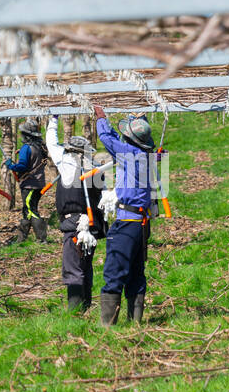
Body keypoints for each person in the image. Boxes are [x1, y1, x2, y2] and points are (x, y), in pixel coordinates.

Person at [92, 104, 158, 326]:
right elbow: (116, 142)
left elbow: (108, 140)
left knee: (114, 271)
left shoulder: (130, 155)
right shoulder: (145, 156)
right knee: (136, 272)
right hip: (140, 224)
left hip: (127, 223)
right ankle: (135, 322)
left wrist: (101, 118)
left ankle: (107, 325)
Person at [44, 116, 107, 312]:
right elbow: (104, 197)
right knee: (85, 266)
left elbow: (52, 143)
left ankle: (75, 312)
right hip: (92, 225)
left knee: (73, 268)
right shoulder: (96, 168)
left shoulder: (67, 163)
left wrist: (53, 121)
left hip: (74, 224)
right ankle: (85, 308)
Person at [4, 119, 49, 244]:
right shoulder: (41, 146)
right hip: (39, 183)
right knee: (27, 211)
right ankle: (21, 238)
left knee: (31, 210)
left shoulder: (26, 148)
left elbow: (22, 166)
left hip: (30, 184)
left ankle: (41, 239)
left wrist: (11, 166)